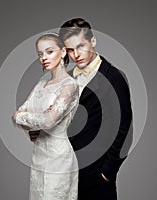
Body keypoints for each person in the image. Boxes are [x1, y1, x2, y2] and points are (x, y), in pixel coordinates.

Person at [58, 18, 133, 200]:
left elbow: (125, 129)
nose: (76, 54)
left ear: (93, 41)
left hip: (96, 178)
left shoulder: (113, 77)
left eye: (81, 46)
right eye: (70, 50)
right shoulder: (64, 79)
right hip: (64, 173)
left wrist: (107, 172)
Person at [12, 33, 79, 200]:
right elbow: (15, 117)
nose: (44, 58)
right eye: (40, 54)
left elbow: (48, 121)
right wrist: (36, 118)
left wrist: (28, 117)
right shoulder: (40, 85)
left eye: (49, 51)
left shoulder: (70, 85)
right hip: (38, 155)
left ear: (63, 52)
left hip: (59, 157)